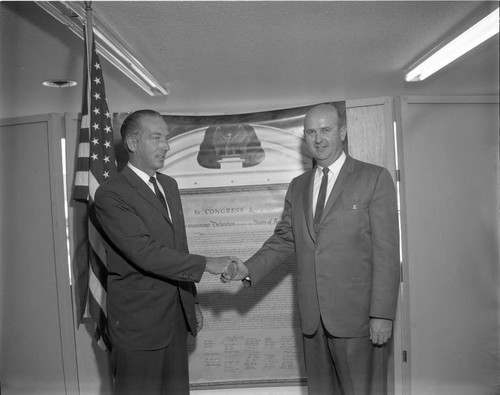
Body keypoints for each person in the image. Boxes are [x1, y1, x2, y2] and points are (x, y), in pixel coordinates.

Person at [227, 103, 400, 395]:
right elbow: (285, 239)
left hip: (358, 321)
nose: (318, 139)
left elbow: (386, 251)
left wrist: (382, 314)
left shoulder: (374, 178)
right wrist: (247, 269)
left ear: (342, 132)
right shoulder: (298, 186)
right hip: (313, 320)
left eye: (325, 130)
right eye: (310, 132)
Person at [94, 109, 239, 395]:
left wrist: (191, 301)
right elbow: (145, 252)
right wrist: (209, 264)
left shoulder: (169, 186)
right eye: (157, 137)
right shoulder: (111, 194)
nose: (166, 146)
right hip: (139, 328)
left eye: (167, 138)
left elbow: (178, 249)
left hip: (174, 320)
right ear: (133, 144)